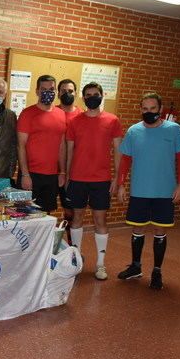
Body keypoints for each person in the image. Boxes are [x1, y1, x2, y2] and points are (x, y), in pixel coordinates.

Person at [116, 92, 180, 290]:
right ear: (141, 110)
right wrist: (121, 184)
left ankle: (157, 271)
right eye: (145, 109)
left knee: (160, 231)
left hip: (164, 192)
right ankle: (136, 267)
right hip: (139, 191)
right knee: (137, 229)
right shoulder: (133, 131)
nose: (149, 112)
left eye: (153, 109)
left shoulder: (174, 129)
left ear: (160, 109)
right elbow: (125, 160)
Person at [66, 82, 122, 281]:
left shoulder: (112, 120)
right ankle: (76, 260)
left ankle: (100, 264)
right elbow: (70, 150)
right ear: (83, 97)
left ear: (101, 95)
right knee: (77, 218)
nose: (92, 97)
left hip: (101, 180)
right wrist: (66, 174)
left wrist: (118, 178)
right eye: (88, 95)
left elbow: (118, 150)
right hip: (77, 179)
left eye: (95, 94)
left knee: (100, 220)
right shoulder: (74, 121)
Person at [17, 74, 67, 213]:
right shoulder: (27, 113)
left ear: (56, 91)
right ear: (37, 91)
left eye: (51, 89)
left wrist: (62, 172)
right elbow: (20, 146)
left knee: (46, 215)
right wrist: (25, 175)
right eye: (44, 89)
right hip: (31, 175)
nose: (48, 92)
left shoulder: (61, 114)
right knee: (25, 214)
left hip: (52, 176)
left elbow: (62, 146)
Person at [56, 78, 82, 241]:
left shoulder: (82, 115)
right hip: (51, 170)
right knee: (44, 211)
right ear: (58, 93)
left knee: (70, 212)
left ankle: (72, 247)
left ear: (76, 93)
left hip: (73, 172)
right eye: (64, 91)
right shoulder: (52, 112)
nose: (67, 94)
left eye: (70, 91)